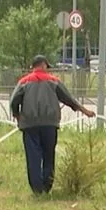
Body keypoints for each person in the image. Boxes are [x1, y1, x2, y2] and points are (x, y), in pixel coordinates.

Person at [9, 55, 96, 195]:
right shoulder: (53, 81)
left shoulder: (23, 82)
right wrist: (85, 111)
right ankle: (47, 186)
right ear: (43, 65)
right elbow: (69, 99)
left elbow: (14, 101)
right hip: (50, 124)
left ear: (33, 66)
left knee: (33, 157)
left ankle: (37, 190)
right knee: (49, 155)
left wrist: (18, 116)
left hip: (30, 125)